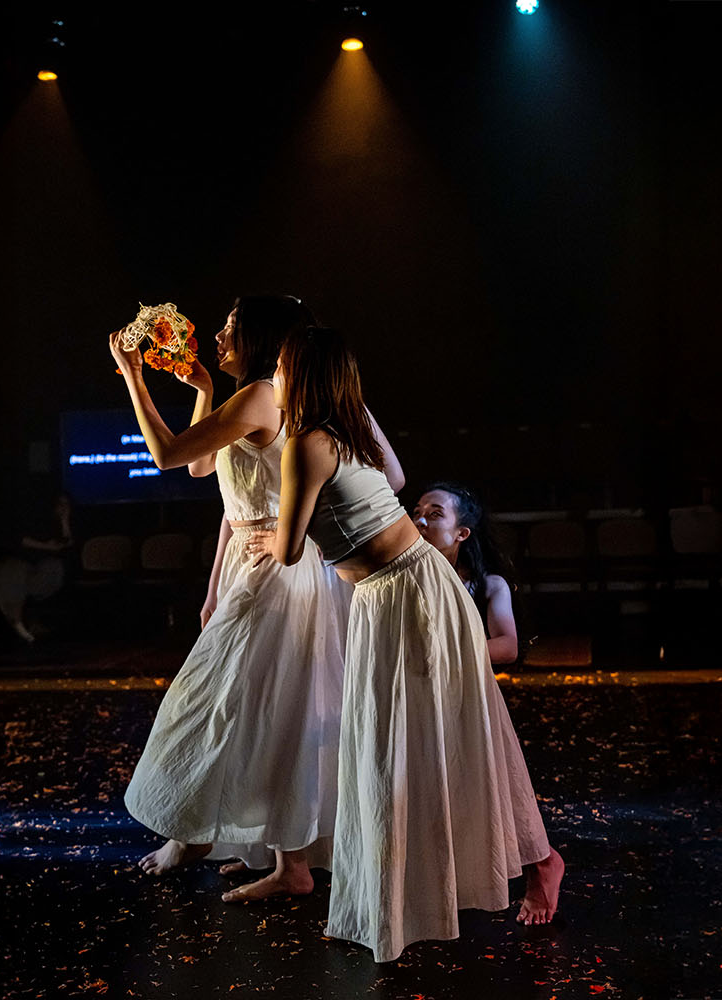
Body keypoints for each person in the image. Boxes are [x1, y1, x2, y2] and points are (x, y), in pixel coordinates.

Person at [246, 327, 563, 963]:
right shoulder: (342, 431)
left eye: (282, 367)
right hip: (386, 599)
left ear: (302, 377)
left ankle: (543, 860)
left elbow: (285, 548)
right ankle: (385, 898)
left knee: (447, 730)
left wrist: (262, 529)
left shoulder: (309, 442)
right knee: (390, 743)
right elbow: (392, 476)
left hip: (408, 592)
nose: (272, 378)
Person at [111, 296, 381, 904]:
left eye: (229, 327)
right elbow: (204, 468)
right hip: (247, 564)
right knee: (249, 700)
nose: (217, 333)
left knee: (249, 703)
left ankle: (260, 854)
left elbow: (167, 454)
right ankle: (244, 843)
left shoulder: (263, 393)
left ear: (257, 338)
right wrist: (203, 389)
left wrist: (132, 376)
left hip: (274, 570)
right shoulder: (252, 397)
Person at [411, 482, 519, 665]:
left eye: (434, 514)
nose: (420, 522)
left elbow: (507, 647)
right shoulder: (405, 578)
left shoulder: (489, 585)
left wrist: (442, 653)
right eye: (417, 513)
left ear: (461, 533)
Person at [0, 492, 73, 643]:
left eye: (66, 504)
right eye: (61, 504)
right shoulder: (34, 519)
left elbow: (66, 543)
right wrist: (46, 547)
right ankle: (18, 625)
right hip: (21, 561)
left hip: (45, 568)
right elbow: (20, 540)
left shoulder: (59, 522)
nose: (63, 507)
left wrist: (65, 520)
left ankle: (31, 624)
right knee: (15, 578)